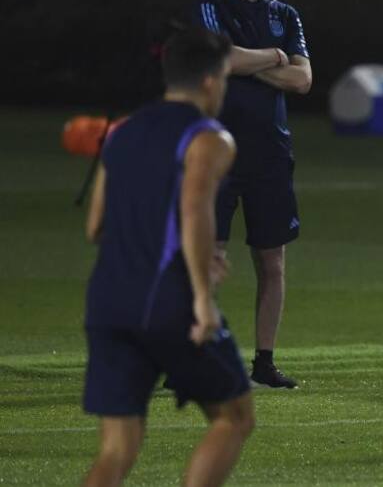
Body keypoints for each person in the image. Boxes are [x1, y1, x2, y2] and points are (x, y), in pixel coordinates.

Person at [82, 26, 255, 486]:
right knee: (233, 417)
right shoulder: (211, 139)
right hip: (169, 304)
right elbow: (194, 210)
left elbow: (95, 225)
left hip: (108, 303)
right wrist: (202, 296)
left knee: (116, 450)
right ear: (211, 81)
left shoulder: (120, 133)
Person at [194, 0, 312, 388]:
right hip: (217, 151)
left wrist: (250, 60)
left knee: (272, 260)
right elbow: (218, 59)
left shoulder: (286, 15)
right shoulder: (209, 3)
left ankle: (263, 364)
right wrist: (275, 57)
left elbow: (304, 81)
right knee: (210, 256)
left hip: (269, 153)